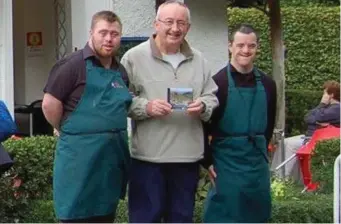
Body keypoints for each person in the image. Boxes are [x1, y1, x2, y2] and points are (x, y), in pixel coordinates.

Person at [120, 0, 219, 222]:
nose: (175, 28)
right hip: (148, 159)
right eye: (169, 22)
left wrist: (203, 105)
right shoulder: (133, 58)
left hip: (186, 159)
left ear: (188, 27)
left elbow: (211, 96)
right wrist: (146, 107)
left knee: (182, 219)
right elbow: (122, 100)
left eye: (181, 23)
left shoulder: (199, 60)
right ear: (156, 24)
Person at [42, 11, 132, 223]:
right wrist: (66, 127)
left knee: (104, 214)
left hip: (110, 162)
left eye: (114, 34)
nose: (109, 39)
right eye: (103, 33)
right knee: (75, 214)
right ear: (91, 32)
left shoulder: (121, 71)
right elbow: (49, 104)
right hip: (78, 160)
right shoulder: (71, 66)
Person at [202, 24, 277, 223]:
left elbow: (269, 126)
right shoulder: (218, 83)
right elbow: (202, 127)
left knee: (258, 215)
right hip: (226, 164)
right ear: (230, 46)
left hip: (257, 164)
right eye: (240, 45)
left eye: (251, 46)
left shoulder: (269, 85)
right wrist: (207, 161)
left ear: (257, 48)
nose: (245, 50)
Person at [272, 80, 340, 182]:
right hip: (310, 136)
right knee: (284, 142)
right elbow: (307, 117)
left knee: (289, 145)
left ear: (331, 95)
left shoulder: (336, 108)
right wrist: (317, 116)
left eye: (325, 93)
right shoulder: (327, 107)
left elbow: (314, 117)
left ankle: (281, 178)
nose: (323, 95)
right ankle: (276, 174)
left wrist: (321, 105)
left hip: (315, 140)